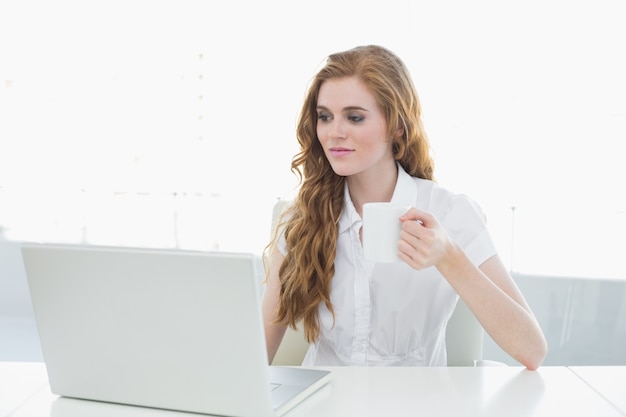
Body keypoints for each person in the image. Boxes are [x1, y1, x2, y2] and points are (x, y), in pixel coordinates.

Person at [262, 45, 547, 369]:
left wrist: (448, 257)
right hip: (322, 401)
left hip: (415, 402)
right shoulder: (303, 219)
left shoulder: (451, 214)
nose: (334, 132)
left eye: (354, 117)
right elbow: (258, 353)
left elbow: (532, 349)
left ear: (396, 125)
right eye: (325, 116)